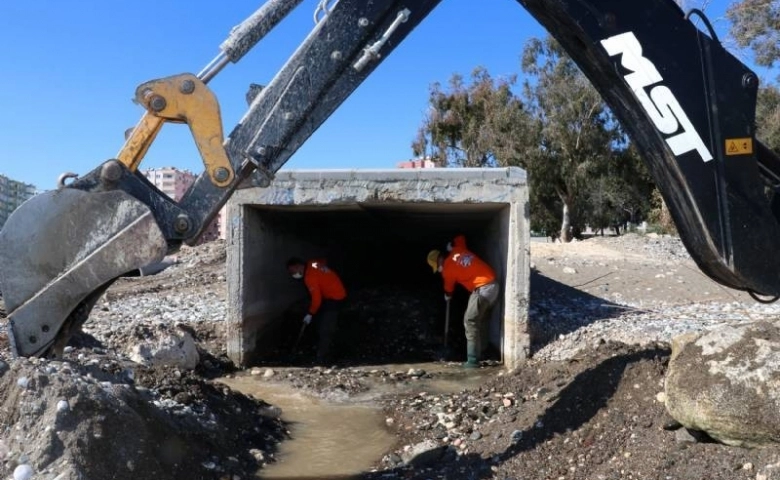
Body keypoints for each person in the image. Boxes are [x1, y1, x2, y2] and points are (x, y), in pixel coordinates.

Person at [427, 235, 499, 368]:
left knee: (470, 320)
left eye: (437, 268)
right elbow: (460, 237)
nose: (439, 270)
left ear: (438, 263)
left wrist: (447, 295)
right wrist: (452, 246)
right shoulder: (458, 249)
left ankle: (472, 361)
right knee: (480, 320)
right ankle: (482, 352)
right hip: (493, 284)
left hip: (483, 287)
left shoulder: (447, 269)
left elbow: (448, 288)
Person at [286, 256, 347, 363]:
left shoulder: (309, 277)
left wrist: (310, 313)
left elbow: (317, 299)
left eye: (292, 271)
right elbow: (323, 261)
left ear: (298, 266)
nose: (293, 275)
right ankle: (327, 344)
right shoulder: (312, 263)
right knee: (322, 318)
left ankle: (323, 357)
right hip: (338, 291)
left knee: (326, 328)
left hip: (334, 297)